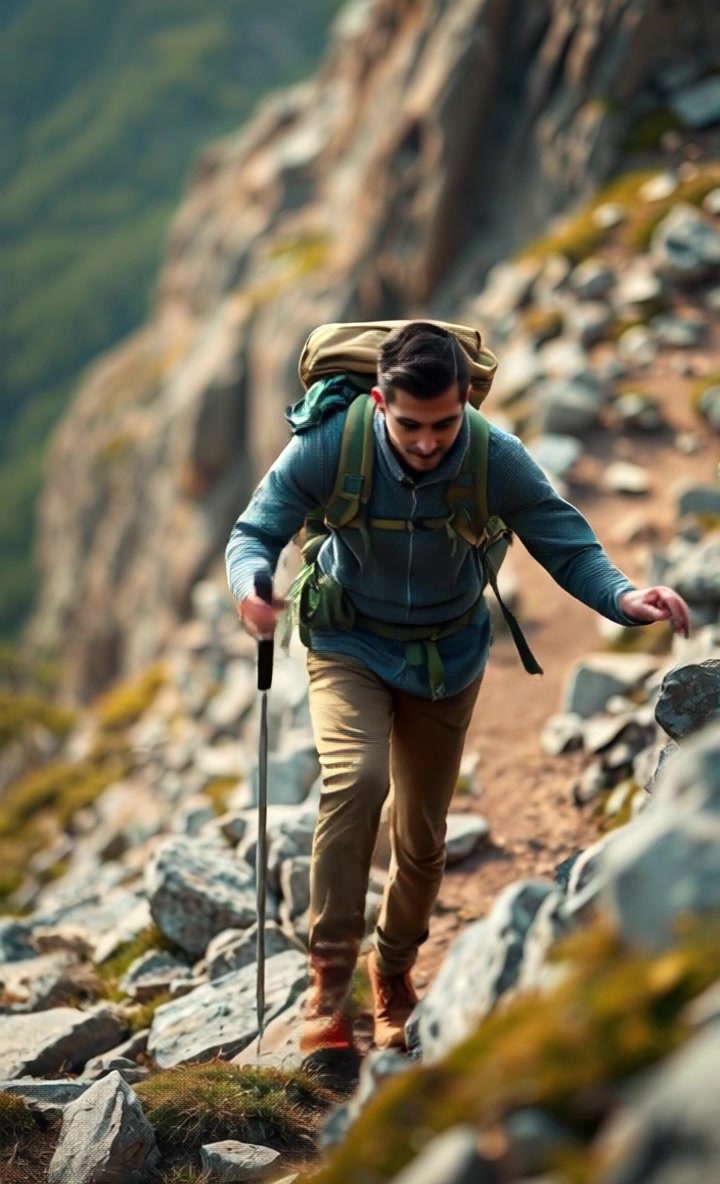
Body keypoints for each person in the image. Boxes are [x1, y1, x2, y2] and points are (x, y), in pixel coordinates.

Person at [225, 321, 689, 1061]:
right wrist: (251, 584)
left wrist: (625, 599)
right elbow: (256, 530)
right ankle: (327, 989)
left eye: (445, 424)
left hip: (447, 657)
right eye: (410, 425)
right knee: (355, 783)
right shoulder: (329, 444)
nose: (428, 442)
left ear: (466, 403)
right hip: (347, 641)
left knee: (423, 839)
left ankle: (395, 972)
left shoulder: (492, 455)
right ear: (379, 401)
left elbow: (563, 540)